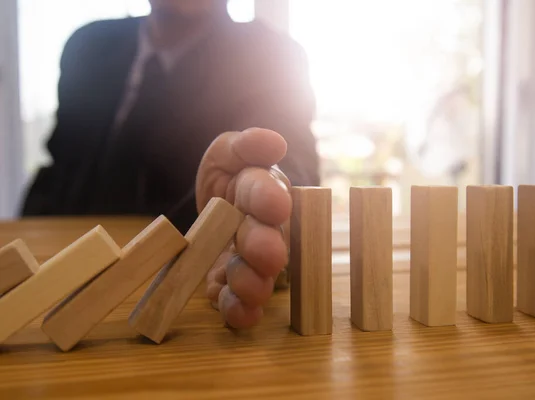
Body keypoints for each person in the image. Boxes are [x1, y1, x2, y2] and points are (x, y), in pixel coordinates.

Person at [20, 0, 320, 329]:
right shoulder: (89, 45)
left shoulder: (270, 54)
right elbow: (61, 162)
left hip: (173, 268)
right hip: (61, 257)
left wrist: (266, 190)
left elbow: (289, 152)